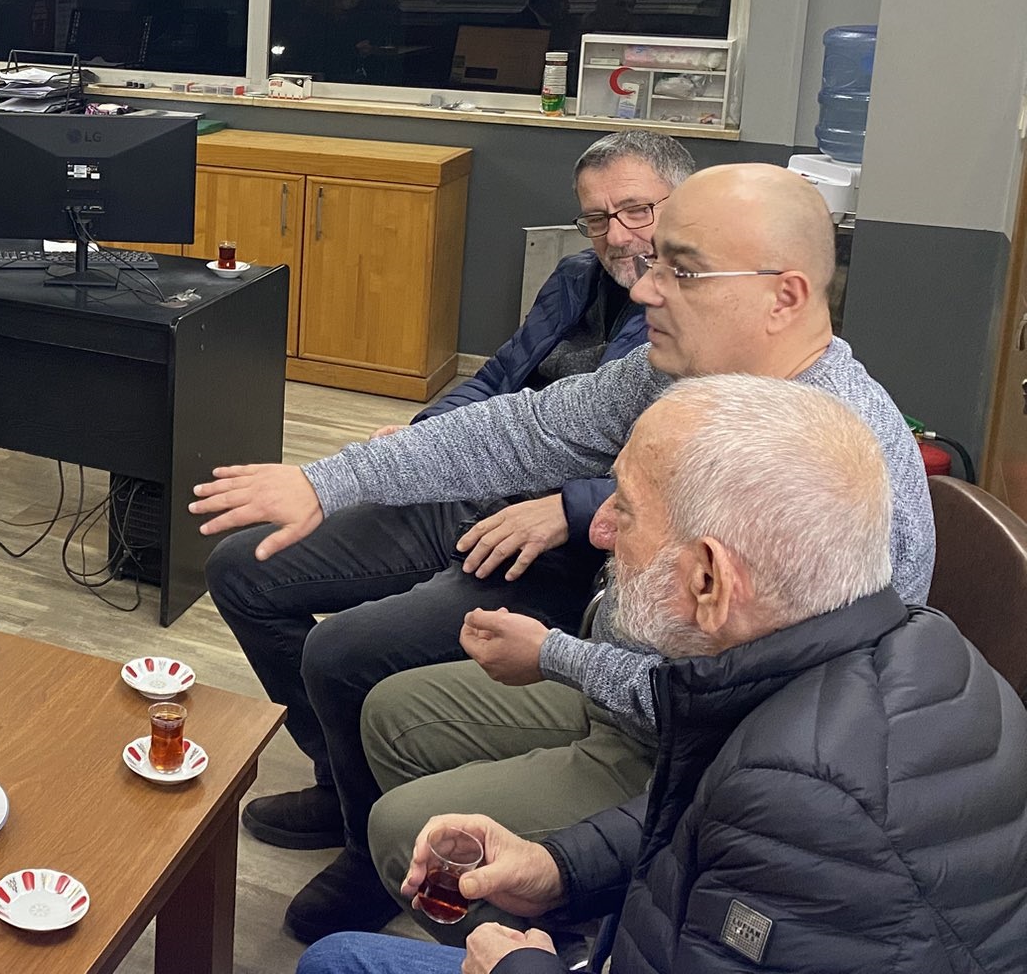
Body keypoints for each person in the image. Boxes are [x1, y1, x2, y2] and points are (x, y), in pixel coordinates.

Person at [192, 164, 933, 943]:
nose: (646, 289)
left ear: (784, 296)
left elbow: (747, 716)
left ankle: (544, 942)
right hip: (636, 690)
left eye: (681, 272)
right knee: (385, 710)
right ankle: (432, 872)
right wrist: (327, 483)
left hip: (707, 763)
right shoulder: (691, 372)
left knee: (401, 827)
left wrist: (557, 655)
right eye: (656, 264)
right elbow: (529, 428)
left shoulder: (827, 469)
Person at [298, 376, 1027, 974]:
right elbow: (696, 812)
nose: (602, 529)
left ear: (709, 579)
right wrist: (558, 866)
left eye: (626, 508)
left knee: (336, 963)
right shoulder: (891, 643)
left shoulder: (807, 802)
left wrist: (521, 968)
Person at [207, 131, 692, 873]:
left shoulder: (694, 329)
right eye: (597, 218)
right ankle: (343, 781)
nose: (618, 236)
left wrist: (569, 508)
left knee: (341, 651)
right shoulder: (576, 278)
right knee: (244, 568)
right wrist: (423, 440)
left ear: (686, 208)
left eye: (636, 211)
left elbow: (679, 474)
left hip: (552, 547)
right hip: (475, 491)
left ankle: (368, 843)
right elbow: (505, 391)